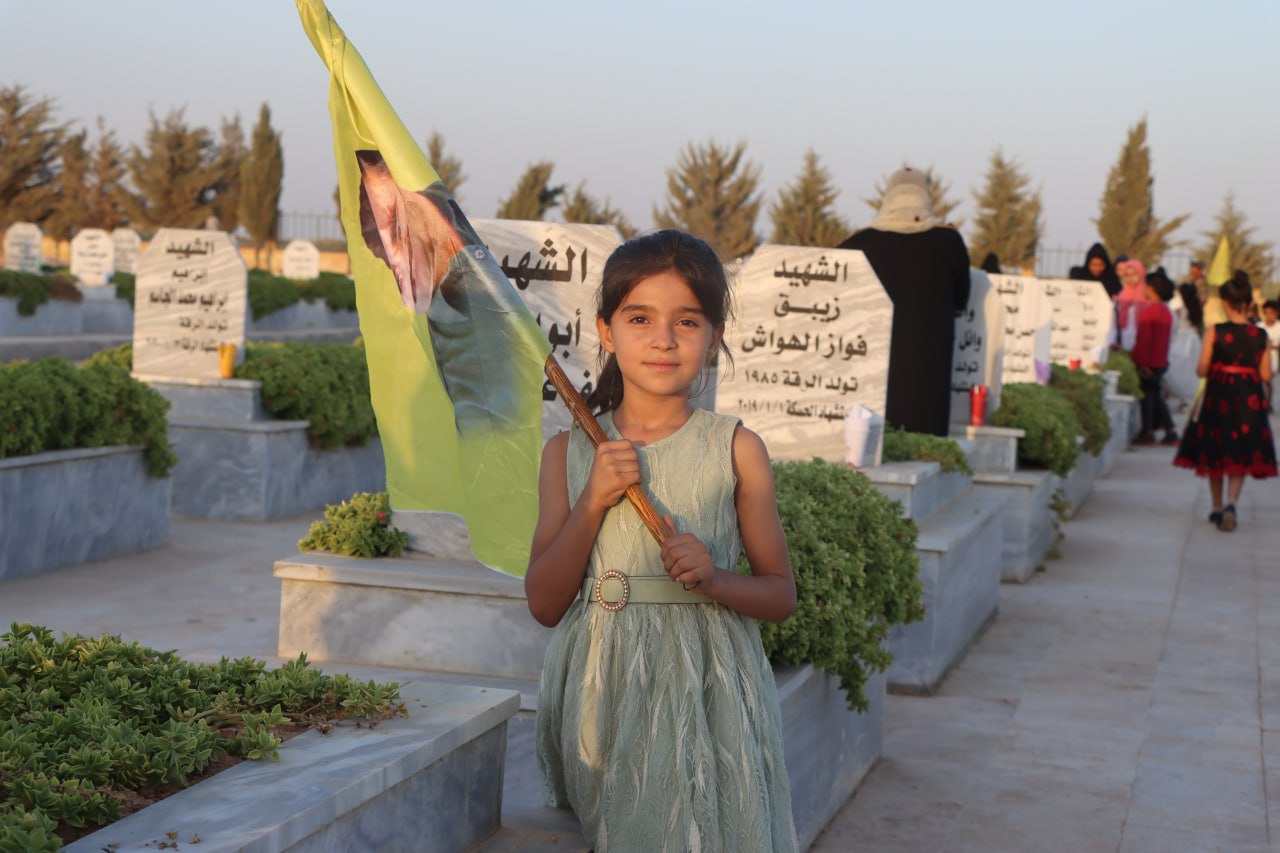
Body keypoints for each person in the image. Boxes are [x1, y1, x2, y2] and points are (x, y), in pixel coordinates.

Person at [526, 230, 799, 851]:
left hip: (706, 693)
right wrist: (593, 499)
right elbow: (543, 603)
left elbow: (780, 594)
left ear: (715, 337)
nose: (663, 339)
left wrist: (716, 578)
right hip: (602, 694)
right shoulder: (568, 453)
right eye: (640, 318)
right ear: (605, 330)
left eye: (687, 321)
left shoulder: (736, 449)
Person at [839, 166, 970, 436]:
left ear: (888, 198)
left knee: (869, 445)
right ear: (925, 197)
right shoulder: (949, 242)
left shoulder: (859, 244)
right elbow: (961, 300)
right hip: (928, 385)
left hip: (869, 384)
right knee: (926, 450)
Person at [1173, 271, 1277, 532]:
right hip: (1249, 398)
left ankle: (1217, 507)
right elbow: (1266, 375)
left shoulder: (1214, 332)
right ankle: (1232, 503)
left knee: (1215, 450)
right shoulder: (1260, 335)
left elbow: (1201, 369)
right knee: (1240, 451)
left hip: (1219, 395)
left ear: (1224, 303)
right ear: (1250, 304)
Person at [1132, 269, 1176, 444]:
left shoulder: (1149, 311)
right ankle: (1169, 431)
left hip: (1149, 363)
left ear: (1151, 289)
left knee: (1148, 398)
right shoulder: (1165, 311)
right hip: (1160, 361)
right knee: (1156, 397)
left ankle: (1148, 431)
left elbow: (1145, 340)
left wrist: (1142, 363)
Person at [1113, 259, 1147, 349]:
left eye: (1134, 274)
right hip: (1123, 335)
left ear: (1141, 273)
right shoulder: (1122, 294)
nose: (1131, 278)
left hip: (1142, 334)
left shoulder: (1146, 293)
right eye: (1127, 275)